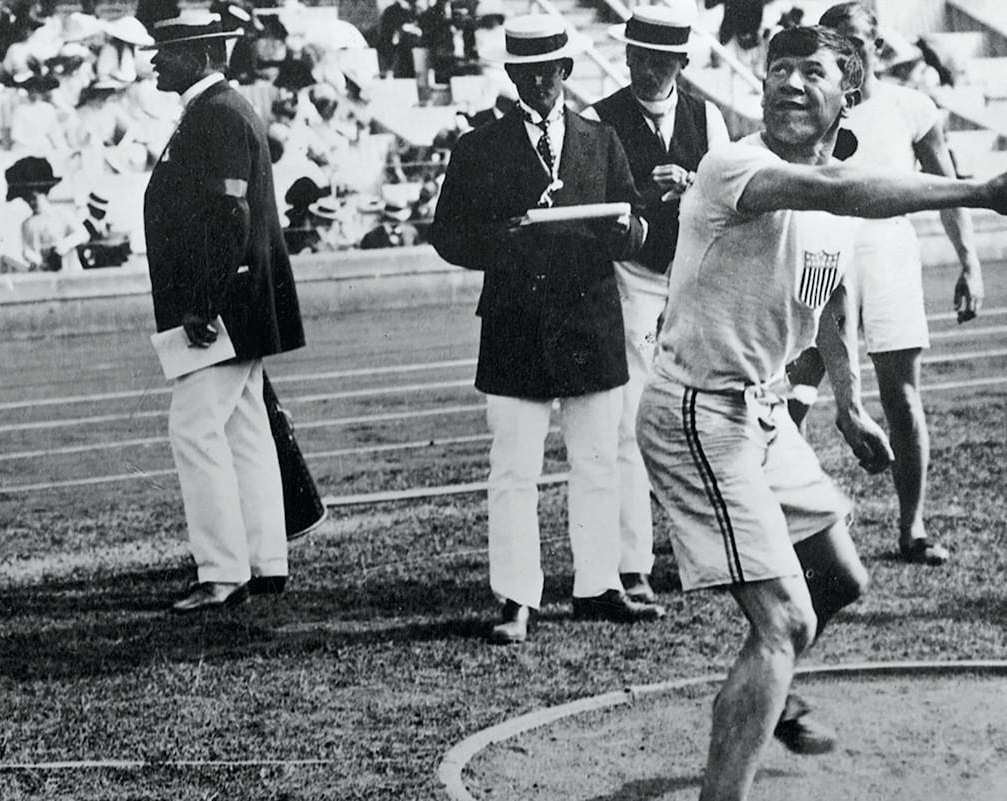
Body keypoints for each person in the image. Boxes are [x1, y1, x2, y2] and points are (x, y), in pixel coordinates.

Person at [635, 25, 1007, 801]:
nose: (792, 83)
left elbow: (829, 296)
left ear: (849, 97)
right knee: (783, 621)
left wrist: (848, 401)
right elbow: (841, 194)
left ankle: (762, 696)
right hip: (697, 414)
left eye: (814, 72)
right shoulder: (736, 164)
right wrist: (979, 191)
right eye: (781, 70)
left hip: (759, 414)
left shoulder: (831, 201)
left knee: (838, 577)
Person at [430, 15, 666, 645]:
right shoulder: (479, 148)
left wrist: (629, 233)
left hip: (589, 318)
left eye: (551, 71)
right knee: (513, 468)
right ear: (512, 75)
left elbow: (634, 216)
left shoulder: (601, 138)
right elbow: (447, 234)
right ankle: (516, 596)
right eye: (527, 73)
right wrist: (495, 244)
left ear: (567, 72)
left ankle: (598, 585)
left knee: (598, 461)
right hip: (515, 323)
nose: (540, 83)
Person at [781, 2, 985, 567]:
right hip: (822, 253)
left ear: (877, 45)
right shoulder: (815, 110)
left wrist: (969, 262)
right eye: (836, 45)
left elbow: (946, 187)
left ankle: (912, 526)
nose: (849, 56)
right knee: (795, 396)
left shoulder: (911, 107)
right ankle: (800, 523)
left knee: (902, 396)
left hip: (889, 252)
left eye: (858, 43)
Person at [141, 11, 306, 613]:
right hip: (237, 301)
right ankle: (263, 561)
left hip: (220, 306)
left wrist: (202, 300)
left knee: (195, 426)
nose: (157, 59)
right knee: (244, 428)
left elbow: (228, 216)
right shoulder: (220, 111)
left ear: (203, 54)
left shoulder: (216, 116)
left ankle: (221, 571)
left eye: (168, 49)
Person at [585, 5, 731, 605]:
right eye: (639, 59)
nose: (648, 71)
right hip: (633, 281)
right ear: (624, 57)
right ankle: (631, 561)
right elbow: (594, 207)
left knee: (709, 415)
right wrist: (645, 193)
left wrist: (692, 184)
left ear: (682, 63)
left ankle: (715, 551)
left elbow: (728, 199)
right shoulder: (598, 120)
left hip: (696, 281)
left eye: (661, 61)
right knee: (630, 424)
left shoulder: (708, 117)